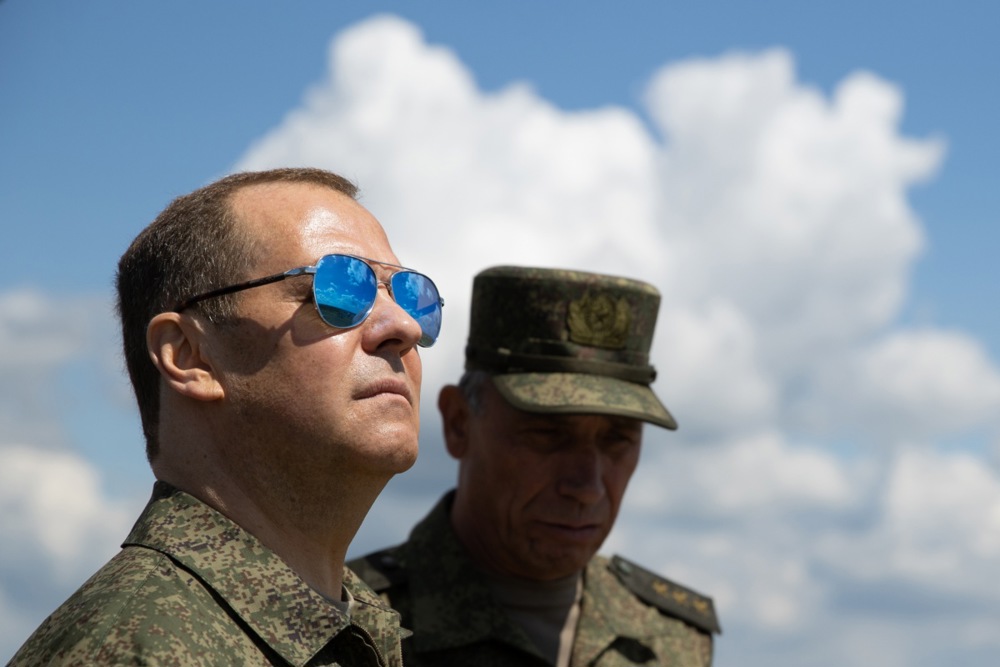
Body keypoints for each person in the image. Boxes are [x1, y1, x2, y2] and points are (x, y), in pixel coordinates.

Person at [10, 168, 445, 666]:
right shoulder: (137, 650)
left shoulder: (359, 631)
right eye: (339, 290)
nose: (404, 326)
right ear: (190, 356)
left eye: (410, 296)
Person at [350, 266, 720, 667]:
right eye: (547, 435)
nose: (588, 487)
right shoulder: (352, 629)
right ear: (459, 423)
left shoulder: (670, 639)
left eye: (618, 440)